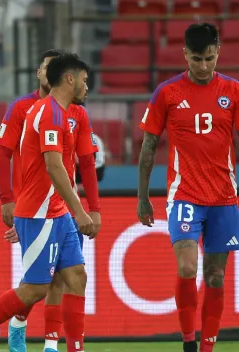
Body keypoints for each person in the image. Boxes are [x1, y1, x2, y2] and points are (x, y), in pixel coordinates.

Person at [0, 53, 93, 352]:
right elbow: (54, 167)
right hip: (39, 212)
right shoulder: (50, 114)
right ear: (69, 79)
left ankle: (75, 349)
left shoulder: (64, 112)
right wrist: (81, 211)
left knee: (76, 276)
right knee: (36, 288)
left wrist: (73, 209)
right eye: (84, 80)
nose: (86, 86)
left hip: (58, 211)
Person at [137, 23, 239, 352]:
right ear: (185, 55)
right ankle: (188, 342)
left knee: (215, 277)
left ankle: (207, 348)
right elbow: (148, 147)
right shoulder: (167, 93)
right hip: (184, 194)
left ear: (218, 52)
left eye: (210, 58)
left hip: (224, 197)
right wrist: (143, 198)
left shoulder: (233, 91)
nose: (204, 66)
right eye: (197, 59)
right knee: (187, 267)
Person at [0, 51, 101, 352]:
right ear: (40, 73)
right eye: (42, 67)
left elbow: (87, 163)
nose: (45, 73)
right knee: (37, 284)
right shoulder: (24, 108)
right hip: (32, 206)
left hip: (61, 206)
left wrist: (94, 207)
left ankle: (52, 345)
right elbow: (3, 154)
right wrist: (8, 200)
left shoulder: (76, 112)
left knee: (69, 276)